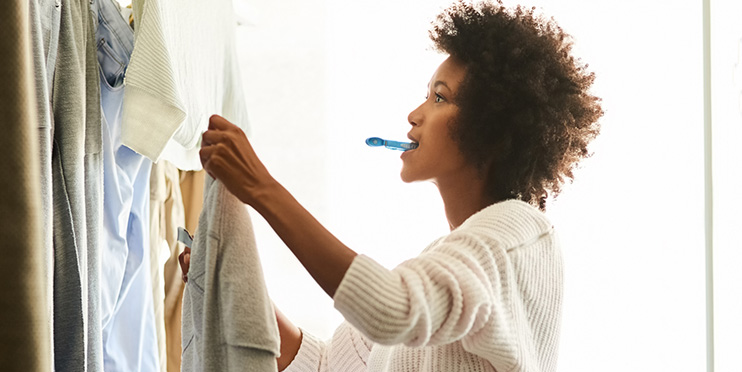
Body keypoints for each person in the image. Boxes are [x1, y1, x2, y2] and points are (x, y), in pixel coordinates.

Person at [180, 1, 603, 371]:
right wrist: (230, 280)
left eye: (440, 97)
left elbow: (390, 307)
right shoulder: (445, 265)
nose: (414, 114)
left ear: (491, 128)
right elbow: (327, 365)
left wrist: (260, 187)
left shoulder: (520, 237)